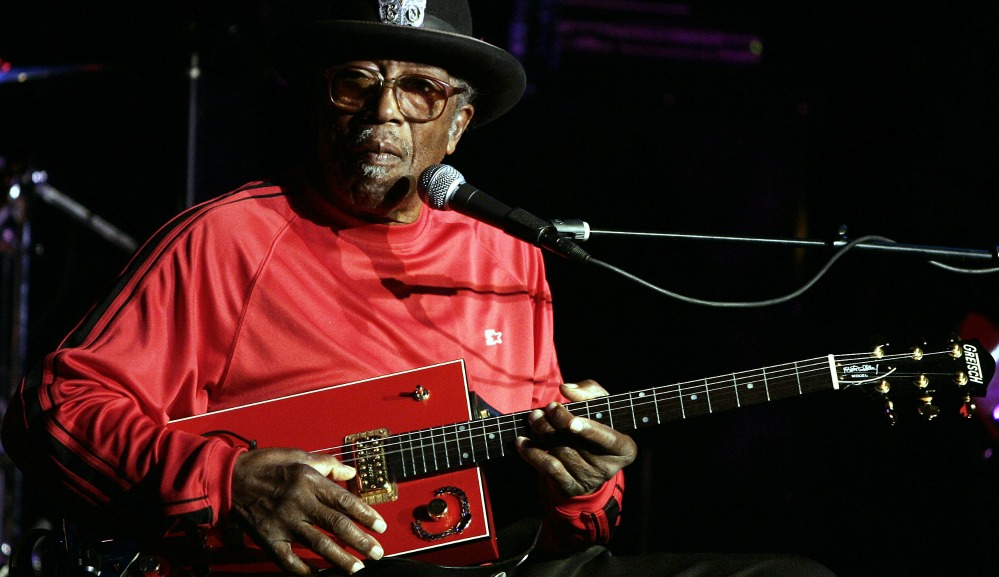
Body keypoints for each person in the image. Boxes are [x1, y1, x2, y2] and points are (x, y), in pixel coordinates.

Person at [1, 2, 837, 576]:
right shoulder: (226, 238)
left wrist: (583, 485)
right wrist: (228, 479)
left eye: (420, 90)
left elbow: (552, 504)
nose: (383, 117)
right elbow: (53, 406)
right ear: (321, 100)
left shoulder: (509, 256)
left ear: (459, 123)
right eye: (356, 82)